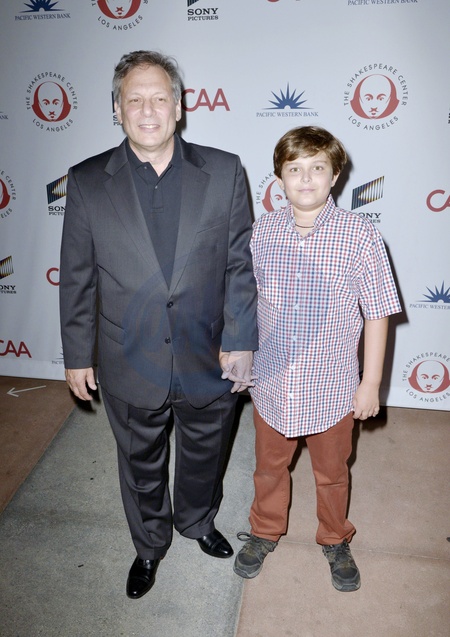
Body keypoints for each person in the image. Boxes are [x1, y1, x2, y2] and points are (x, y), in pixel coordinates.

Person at [59, 50, 258, 599]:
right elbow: (77, 277)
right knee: (139, 459)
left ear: (179, 106)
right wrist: (77, 355)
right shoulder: (87, 181)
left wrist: (241, 339)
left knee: (206, 450)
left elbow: (240, 265)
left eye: (159, 98)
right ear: (117, 110)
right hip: (127, 354)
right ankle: (149, 543)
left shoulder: (224, 171)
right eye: (135, 100)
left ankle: (197, 520)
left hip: (209, 352)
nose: (148, 110)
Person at [233, 126, 401, 592]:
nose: (305, 179)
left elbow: (378, 313)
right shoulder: (262, 232)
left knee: (331, 473)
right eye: (294, 169)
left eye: (317, 168)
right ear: (279, 178)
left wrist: (370, 384)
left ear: (335, 176)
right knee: (269, 467)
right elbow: (244, 300)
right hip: (272, 383)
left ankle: (334, 537)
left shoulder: (360, 235)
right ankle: (265, 530)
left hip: (332, 387)